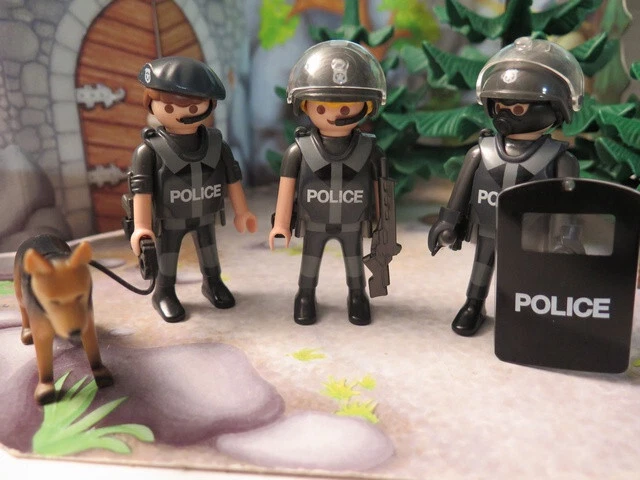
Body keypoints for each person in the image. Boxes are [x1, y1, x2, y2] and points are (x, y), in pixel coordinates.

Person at [428, 37, 585, 336]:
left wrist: (567, 237)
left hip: (532, 234)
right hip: (488, 227)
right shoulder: (480, 153)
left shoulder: (559, 160)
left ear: (556, 108)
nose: (505, 114)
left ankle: (527, 310)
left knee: (528, 273)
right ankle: (474, 304)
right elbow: (460, 193)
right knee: (481, 265)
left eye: (518, 108)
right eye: (500, 106)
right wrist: (447, 222)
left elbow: (569, 207)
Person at [269, 40, 395, 326]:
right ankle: (305, 295)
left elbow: (381, 189)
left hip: (353, 222)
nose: (334, 115)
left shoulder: (370, 150)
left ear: (366, 106)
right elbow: (287, 188)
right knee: (310, 261)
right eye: (323, 107)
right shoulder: (299, 151)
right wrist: (281, 224)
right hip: (315, 221)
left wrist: (382, 225)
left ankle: (357, 295)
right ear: (305, 105)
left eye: (346, 108)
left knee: (354, 262)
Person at [129, 56, 257, 323]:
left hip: (205, 216)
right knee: (167, 257)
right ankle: (164, 292)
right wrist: (141, 227)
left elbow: (232, 178)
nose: (183, 112)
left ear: (209, 105)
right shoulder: (149, 151)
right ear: (151, 103)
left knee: (209, 253)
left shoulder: (216, 144)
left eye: (193, 106)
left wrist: (242, 211)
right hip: (170, 220)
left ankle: (213, 283)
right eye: (169, 106)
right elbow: (142, 191)